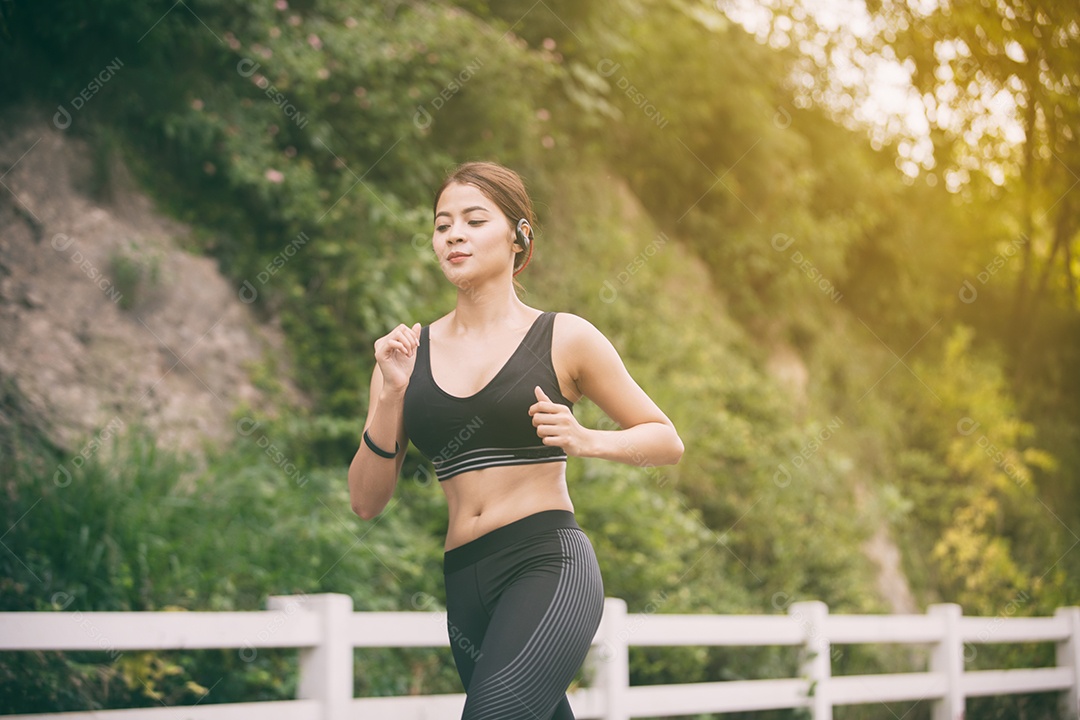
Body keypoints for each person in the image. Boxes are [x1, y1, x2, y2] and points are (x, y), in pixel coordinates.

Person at [348, 160, 684, 720]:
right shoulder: (406, 355)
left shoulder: (564, 336)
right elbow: (365, 502)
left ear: (518, 235)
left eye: (474, 220)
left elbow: (665, 439)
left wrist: (585, 439)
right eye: (442, 224)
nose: (454, 233)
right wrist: (389, 395)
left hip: (548, 566)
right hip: (465, 583)